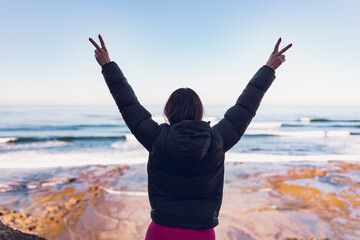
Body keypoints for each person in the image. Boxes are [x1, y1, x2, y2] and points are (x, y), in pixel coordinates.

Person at [89, 35, 292, 240]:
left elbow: (128, 104)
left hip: (162, 230)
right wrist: (269, 68)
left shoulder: (156, 138)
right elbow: (246, 105)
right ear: (199, 111)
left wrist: (107, 65)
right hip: (202, 233)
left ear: (168, 111)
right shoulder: (217, 140)